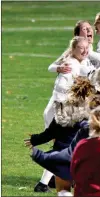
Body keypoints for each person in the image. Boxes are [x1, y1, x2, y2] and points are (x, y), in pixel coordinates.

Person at [31, 36, 91, 192]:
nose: (85, 51)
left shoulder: (79, 62)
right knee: (62, 148)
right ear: (74, 49)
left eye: (87, 47)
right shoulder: (70, 64)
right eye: (81, 48)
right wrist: (76, 94)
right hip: (59, 112)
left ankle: (49, 182)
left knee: (63, 147)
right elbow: (60, 89)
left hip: (60, 111)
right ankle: (45, 183)